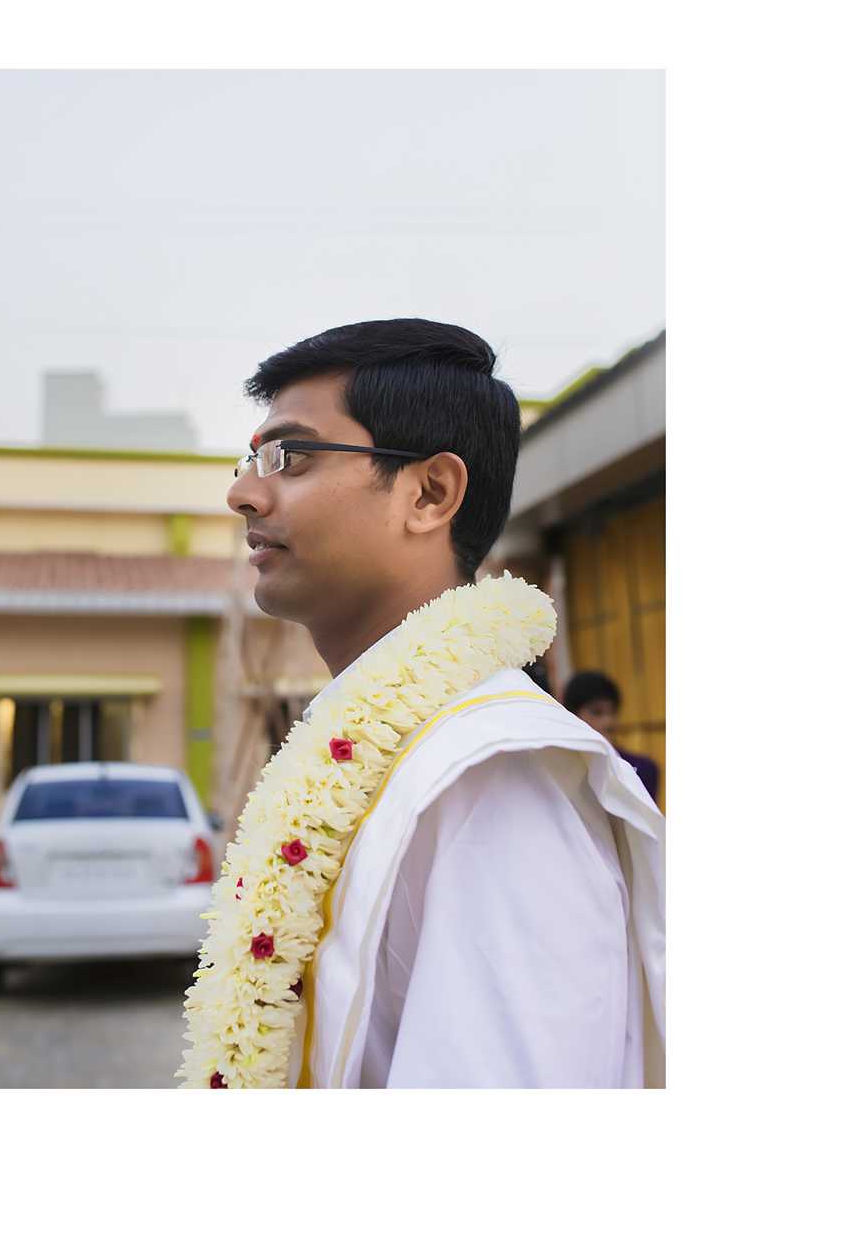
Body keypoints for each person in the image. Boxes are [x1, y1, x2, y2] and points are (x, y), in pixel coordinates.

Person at [179, 319, 664, 1089]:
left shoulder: (496, 777)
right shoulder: (390, 751)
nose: (243, 491)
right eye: (250, 459)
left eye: (291, 456)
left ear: (430, 492)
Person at [562, 670, 662, 802]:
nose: (608, 721)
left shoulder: (643, 768)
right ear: (573, 714)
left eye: (612, 712)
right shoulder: (561, 765)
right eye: (597, 712)